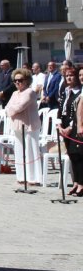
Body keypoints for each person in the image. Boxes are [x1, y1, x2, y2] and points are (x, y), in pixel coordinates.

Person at [6, 68, 41, 187]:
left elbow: (20, 107)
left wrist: (12, 109)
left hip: (30, 125)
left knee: (31, 151)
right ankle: (21, 176)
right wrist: (12, 109)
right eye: (15, 81)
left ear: (26, 81)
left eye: (20, 80)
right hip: (17, 126)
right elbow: (7, 107)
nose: (17, 83)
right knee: (19, 152)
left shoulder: (30, 92)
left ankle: (33, 178)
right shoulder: (14, 93)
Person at [57, 65, 81, 196]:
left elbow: (77, 112)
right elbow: (61, 109)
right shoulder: (65, 91)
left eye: (71, 75)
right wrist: (59, 124)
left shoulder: (79, 91)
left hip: (74, 126)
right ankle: (75, 182)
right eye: (67, 76)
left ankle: (80, 183)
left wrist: (70, 127)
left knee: (77, 154)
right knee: (71, 155)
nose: (69, 78)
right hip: (64, 124)